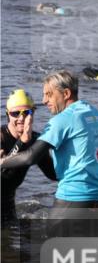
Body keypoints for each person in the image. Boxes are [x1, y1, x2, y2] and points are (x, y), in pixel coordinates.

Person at [0, 71, 98, 222]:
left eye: (49, 94)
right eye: (15, 113)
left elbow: (33, 158)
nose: (44, 101)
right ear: (7, 114)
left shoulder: (60, 121)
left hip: (74, 196)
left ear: (66, 93)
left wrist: (4, 159)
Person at [0, 89, 56, 223]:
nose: (21, 118)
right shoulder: (1, 137)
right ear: (8, 115)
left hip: (8, 204)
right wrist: (23, 141)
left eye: (26, 112)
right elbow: (3, 176)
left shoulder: (37, 140)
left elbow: (53, 174)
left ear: (33, 112)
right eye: (15, 113)